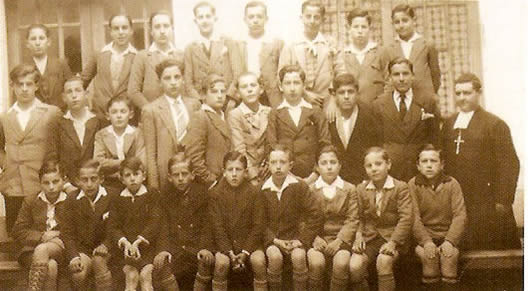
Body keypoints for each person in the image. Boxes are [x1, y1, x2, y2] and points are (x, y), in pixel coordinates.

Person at [441, 73, 521, 250]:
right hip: (458, 197)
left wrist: (503, 200)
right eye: (458, 93)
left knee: (491, 250)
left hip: (486, 199)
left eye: (467, 93)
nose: (462, 98)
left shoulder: (494, 124)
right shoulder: (448, 124)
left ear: (479, 93)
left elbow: (509, 164)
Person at [0, 64, 62, 233]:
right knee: (16, 234)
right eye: (20, 84)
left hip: (41, 184)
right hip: (13, 185)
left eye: (29, 84)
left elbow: (60, 147)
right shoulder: (5, 116)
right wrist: (6, 164)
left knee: (43, 232)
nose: (24, 89)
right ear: (12, 86)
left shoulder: (51, 113)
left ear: (36, 86)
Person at [260, 144, 323, 290]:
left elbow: (316, 214)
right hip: (273, 239)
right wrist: (274, 240)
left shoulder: (299, 187)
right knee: (274, 257)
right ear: (268, 165)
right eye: (274, 162)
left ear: (290, 165)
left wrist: (301, 240)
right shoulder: (262, 190)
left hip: (296, 238)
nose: (278, 167)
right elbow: (259, 222)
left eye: (282, 162)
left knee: (299, 257)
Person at [153, 148, 214, 291]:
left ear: (192, 175)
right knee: (161, 267)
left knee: (205, 264)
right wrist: (163, 249)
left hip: (196, 249)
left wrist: (205, 247)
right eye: (176, 175)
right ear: (169, 177)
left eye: (184, 174)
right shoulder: (165, 198)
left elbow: (208, 225)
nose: (180, 178)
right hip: (175, 251)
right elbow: (163, 227)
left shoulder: (203, 196)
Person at [353, 147, 412, 291]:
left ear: (389, 164)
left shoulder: (400, 187)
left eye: (378, 164)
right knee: (354, 266)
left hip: (393, 237)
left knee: (383, 261)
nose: (374, 169)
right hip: (370, 237)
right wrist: (358, 235)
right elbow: (357, 216)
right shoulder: (361, 189)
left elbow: (406, 218)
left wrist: (393, 242)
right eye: (369, 165)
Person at [372, 57, 439, 182]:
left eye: (405, 73)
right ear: (390, 78)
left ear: (413, 76)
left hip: (420, 172)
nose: (401, 79)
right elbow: (377, 141)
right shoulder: (378, 105)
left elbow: (435, 138)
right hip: (391, 173)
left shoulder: (428, 102)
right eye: (396, 74)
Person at [409, 144, 467, 291]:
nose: (429, 165)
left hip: (448, 236)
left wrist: (450, 241)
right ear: (418, 166)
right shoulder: (413, 185)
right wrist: (426, 242)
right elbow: (414, 218)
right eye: (424, 161)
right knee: (428, 257)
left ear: (441, 165)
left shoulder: (452, 184)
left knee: (450, 257)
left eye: (433, 161)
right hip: (424, 238)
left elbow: (460, 216)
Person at [208, 151, 266, 290]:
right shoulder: (215, 194)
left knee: (258, 260)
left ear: (245, 172)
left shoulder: (254, 192)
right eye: (230, 169)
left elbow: (258, 225)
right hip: (225, 245)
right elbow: (217, 227)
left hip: (249, 244)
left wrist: (245, 252)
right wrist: (229, 252)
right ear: (224, 172)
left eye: (238, 169)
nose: (234, 174)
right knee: (221, 263)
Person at [141, 59, 200, 192]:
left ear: (183, 79)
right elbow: (151, 153)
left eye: (177, 77)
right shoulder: (151, 110)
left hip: (192, 173)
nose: (173, 82)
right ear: (160, 82)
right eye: (167, 78)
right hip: (166, 176)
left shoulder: (194, 105)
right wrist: (154, 186)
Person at [307, 145, 360, 291]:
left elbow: (352, 219)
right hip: (318, 239)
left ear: (340, 165)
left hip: (341, 239)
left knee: (341, 262)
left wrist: (339, 241)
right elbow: (304, 219)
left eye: (333, 162)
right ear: (317, 167)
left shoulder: (349, 189)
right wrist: (315, 238)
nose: (329, 167)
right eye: (324, 163)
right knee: (316, 263)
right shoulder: (310, 190)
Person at [12, 159, 67, 291]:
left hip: (61, 249)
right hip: (31, 251)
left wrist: (58, 235)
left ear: (64, 180)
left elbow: (78, 230)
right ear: (40, 183)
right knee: (51, 266)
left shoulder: (71, 201)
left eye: (55, 181)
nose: (51, 187)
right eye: (46, 183)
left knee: (44, 251)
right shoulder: (31, 201)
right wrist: (41, 236)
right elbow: (18, 230)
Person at [107, 157, 162, 291]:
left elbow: (155, 221)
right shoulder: (117, 198)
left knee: (145, 277)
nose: (132, 178)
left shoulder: (151, 194)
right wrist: (125, 242)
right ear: (121, 179)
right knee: (131, 277)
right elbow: (113, 225)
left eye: (136, 174)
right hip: (125, 250)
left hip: (147, 247)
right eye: (128, 175)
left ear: (143, 176)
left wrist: (139, 241)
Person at [267, 65, 330, 179]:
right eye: (287, 83)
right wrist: (288, 174)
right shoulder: (275, 114)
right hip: (285, 176)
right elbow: (272, 145)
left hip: (313, 176)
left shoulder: (316, 112)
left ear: (303, 86)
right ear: (281, 87)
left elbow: (325, 144)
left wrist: (315, 174)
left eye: (296, 83)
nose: (292, 88)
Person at [279, 0, 337, 119]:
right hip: (298, 101)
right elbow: (281, 75)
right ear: (301, 18)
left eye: (316, 17)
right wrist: (304, 93)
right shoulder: (291, 45)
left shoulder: (330, 43)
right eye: (308, 16)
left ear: (322, 19)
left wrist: (333, 99)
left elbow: (341, 73)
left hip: (326, 102)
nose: (312, 21)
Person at [61, 159, 113, 291]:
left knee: (99, 261)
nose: (89, 184)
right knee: (79, 273)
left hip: (109, 249)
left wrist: (106, 244)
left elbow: (118, 227)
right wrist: (74, 256)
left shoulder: (113, 196)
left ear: (101, 179)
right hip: (83, 250)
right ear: (77, 181)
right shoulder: (72, 199)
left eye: (93, 179)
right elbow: (67, 233)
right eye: (84, 180)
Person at [328, 73, 382, 184]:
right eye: (342, 92)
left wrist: (367, 178)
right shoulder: (330, 117)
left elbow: (375, 146)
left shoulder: (368, 116)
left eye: (350, 92)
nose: (346, 96)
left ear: (357, 93)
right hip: (336, 180)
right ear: (335, 95)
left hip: (363, 179)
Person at [81, 14, 137, 121]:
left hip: (127, 117)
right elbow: (83, 82)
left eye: (124, 28)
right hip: (101, 115)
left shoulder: (137, 57)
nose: (120, 32)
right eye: (116, 28)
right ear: (110, 31)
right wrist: (84, 107)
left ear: (131, 30)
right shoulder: (99, 55)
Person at [229, 1, 284, 108]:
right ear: (245, 20)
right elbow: (235, 74)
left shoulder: (276, 43)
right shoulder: (239, 44)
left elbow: (281, 72)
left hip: (271, 96)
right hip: (245, 94)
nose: (255, 20)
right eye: (251, 17)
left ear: (266, 19)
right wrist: (232, 97)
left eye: (259, 16)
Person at [128, 10, 184, 110]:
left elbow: (186, 87)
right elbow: (133, 91)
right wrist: (151, 110)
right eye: (157, 27)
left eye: (166, 26)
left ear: (172, 29)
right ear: (151, 31)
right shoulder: (142, 57)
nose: (162, 31)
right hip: (152, 114)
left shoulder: (181, 56)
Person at [381, 4, 441, 96]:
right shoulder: (389, 49)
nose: (401, 25)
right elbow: (388, 79)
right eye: (397, 22)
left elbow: (435, 76)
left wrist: (431, 95)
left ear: (414, 20)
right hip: (400, 98)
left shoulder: (427, 45)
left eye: (405, 20)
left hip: (424, 96)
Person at [184, 74, 232, 186]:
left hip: (227, 179)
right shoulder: (200, 117)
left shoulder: (225, 116)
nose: (220, 96)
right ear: (203, 95)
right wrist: (210, 179)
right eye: (214, 92)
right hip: (211, 183)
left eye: (223, 91)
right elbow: (194, 156)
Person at [93, 95, 145, 195]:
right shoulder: (101, 135)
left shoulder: (137, 133)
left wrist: (112, 164)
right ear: (108, 115)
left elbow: (140, 161)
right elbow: (98, 162)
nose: (119, 116)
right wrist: (125, 162)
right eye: (114, 112)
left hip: (133, 182)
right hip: (110, 183)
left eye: (123, 111)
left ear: (131, 114)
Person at [56, 76, 100, 193]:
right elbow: (54, 158)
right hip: (70, 189)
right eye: (69, 92)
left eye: (78, 90)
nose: (74, 96)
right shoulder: (59, 124)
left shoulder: (98, 121)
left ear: (86, 94)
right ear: (64, 98)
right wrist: (66, 186)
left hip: (97, 186)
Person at [184, 2, 236, 101]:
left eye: (208, 16)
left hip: (225, 98)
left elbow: (237, 74)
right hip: (201, 100)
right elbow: (188, 83)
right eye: (201, 17)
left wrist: (230, 98)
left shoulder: (227, 42)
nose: (205, 21)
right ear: (196, 21)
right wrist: (199, 100)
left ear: (214, 19)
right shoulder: (190, 49)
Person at [227, 72, 271, 185]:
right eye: (244, 87)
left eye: (253, 85)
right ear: (238, 93)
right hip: (247, 173)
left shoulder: (269, 112)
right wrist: (253, 176)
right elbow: (239, 148)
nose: (249, 90)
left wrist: (269, 165)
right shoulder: (235, 115)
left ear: (261, 89)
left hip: (268, 170)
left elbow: (272, 143)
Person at [334, 8, 385, 104]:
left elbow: (389, 82)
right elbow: (337, 85)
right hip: (351, 109)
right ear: (349, 28)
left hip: (377, 110)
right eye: (356, 27)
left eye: (364, 27)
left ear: (369, 28)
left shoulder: (380, 52)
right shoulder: (342, 55)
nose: (360, 31)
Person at [25, 24, 72, 110]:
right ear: (27, 44)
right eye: (33, 39)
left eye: (41, 38)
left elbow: (71, 92)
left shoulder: (61, 65)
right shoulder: (23, 69)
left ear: (49, 42)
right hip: (35, 119)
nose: (37, 43)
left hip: (60, 116)